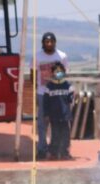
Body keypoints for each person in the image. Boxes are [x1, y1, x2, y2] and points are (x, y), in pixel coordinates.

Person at [32, 32, 67, 160]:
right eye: (47, 42)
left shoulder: (61, 56)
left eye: (51, 41)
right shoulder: (37, 57)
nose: (49, 44)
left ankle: (55, 147)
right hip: (42, 93)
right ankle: (42, 148)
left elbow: (63, 74)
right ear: (43, 43)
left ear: (55, 42)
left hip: (56, 94)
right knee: (42, 122)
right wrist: (35, 90)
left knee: (56, 121)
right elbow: (33, 74)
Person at [43, 62, 74, 160]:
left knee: (65, 134)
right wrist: (46, 114)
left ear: (64, 72)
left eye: (61, 71)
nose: (59, 73)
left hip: (65, 115)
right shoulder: (49, 87)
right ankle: (54, 153)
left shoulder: (68, 86)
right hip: (54, 115)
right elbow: (45, 102)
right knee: (55, 134)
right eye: (56, 71)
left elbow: (70, 100)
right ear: (53, 73)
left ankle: (64, 152)